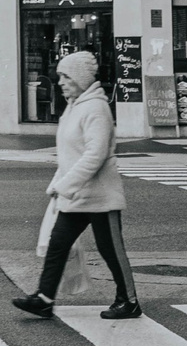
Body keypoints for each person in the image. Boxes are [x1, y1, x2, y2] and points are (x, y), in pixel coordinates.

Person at [11, 51, 141, 320]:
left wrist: (64, 185)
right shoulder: (74, 106)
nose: (60, 81)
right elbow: (70, 154)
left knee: (111, 250)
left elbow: (95, 155)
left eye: (65, 76)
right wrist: (59, 185)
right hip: (77, 194)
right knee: (57, 243)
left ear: (80, 78)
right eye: (60, 75)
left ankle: (129, 301)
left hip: (100, 196)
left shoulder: (96, 108)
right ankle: (45, 298)